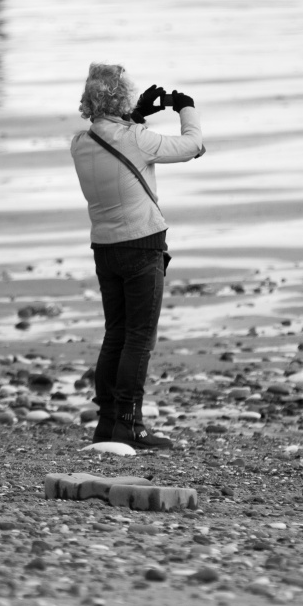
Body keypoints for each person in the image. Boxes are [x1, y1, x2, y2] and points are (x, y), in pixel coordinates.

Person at [70, 62, 205, 450]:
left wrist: (137, 115)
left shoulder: (81, 144)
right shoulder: (137, 138)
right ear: (121, 97)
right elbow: (193, 146)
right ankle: (130, 423)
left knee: (116, 334)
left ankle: (108, 422)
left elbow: (114, 137)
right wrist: (186, 107)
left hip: (105, 248)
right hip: (142, 245)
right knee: (139, 338)